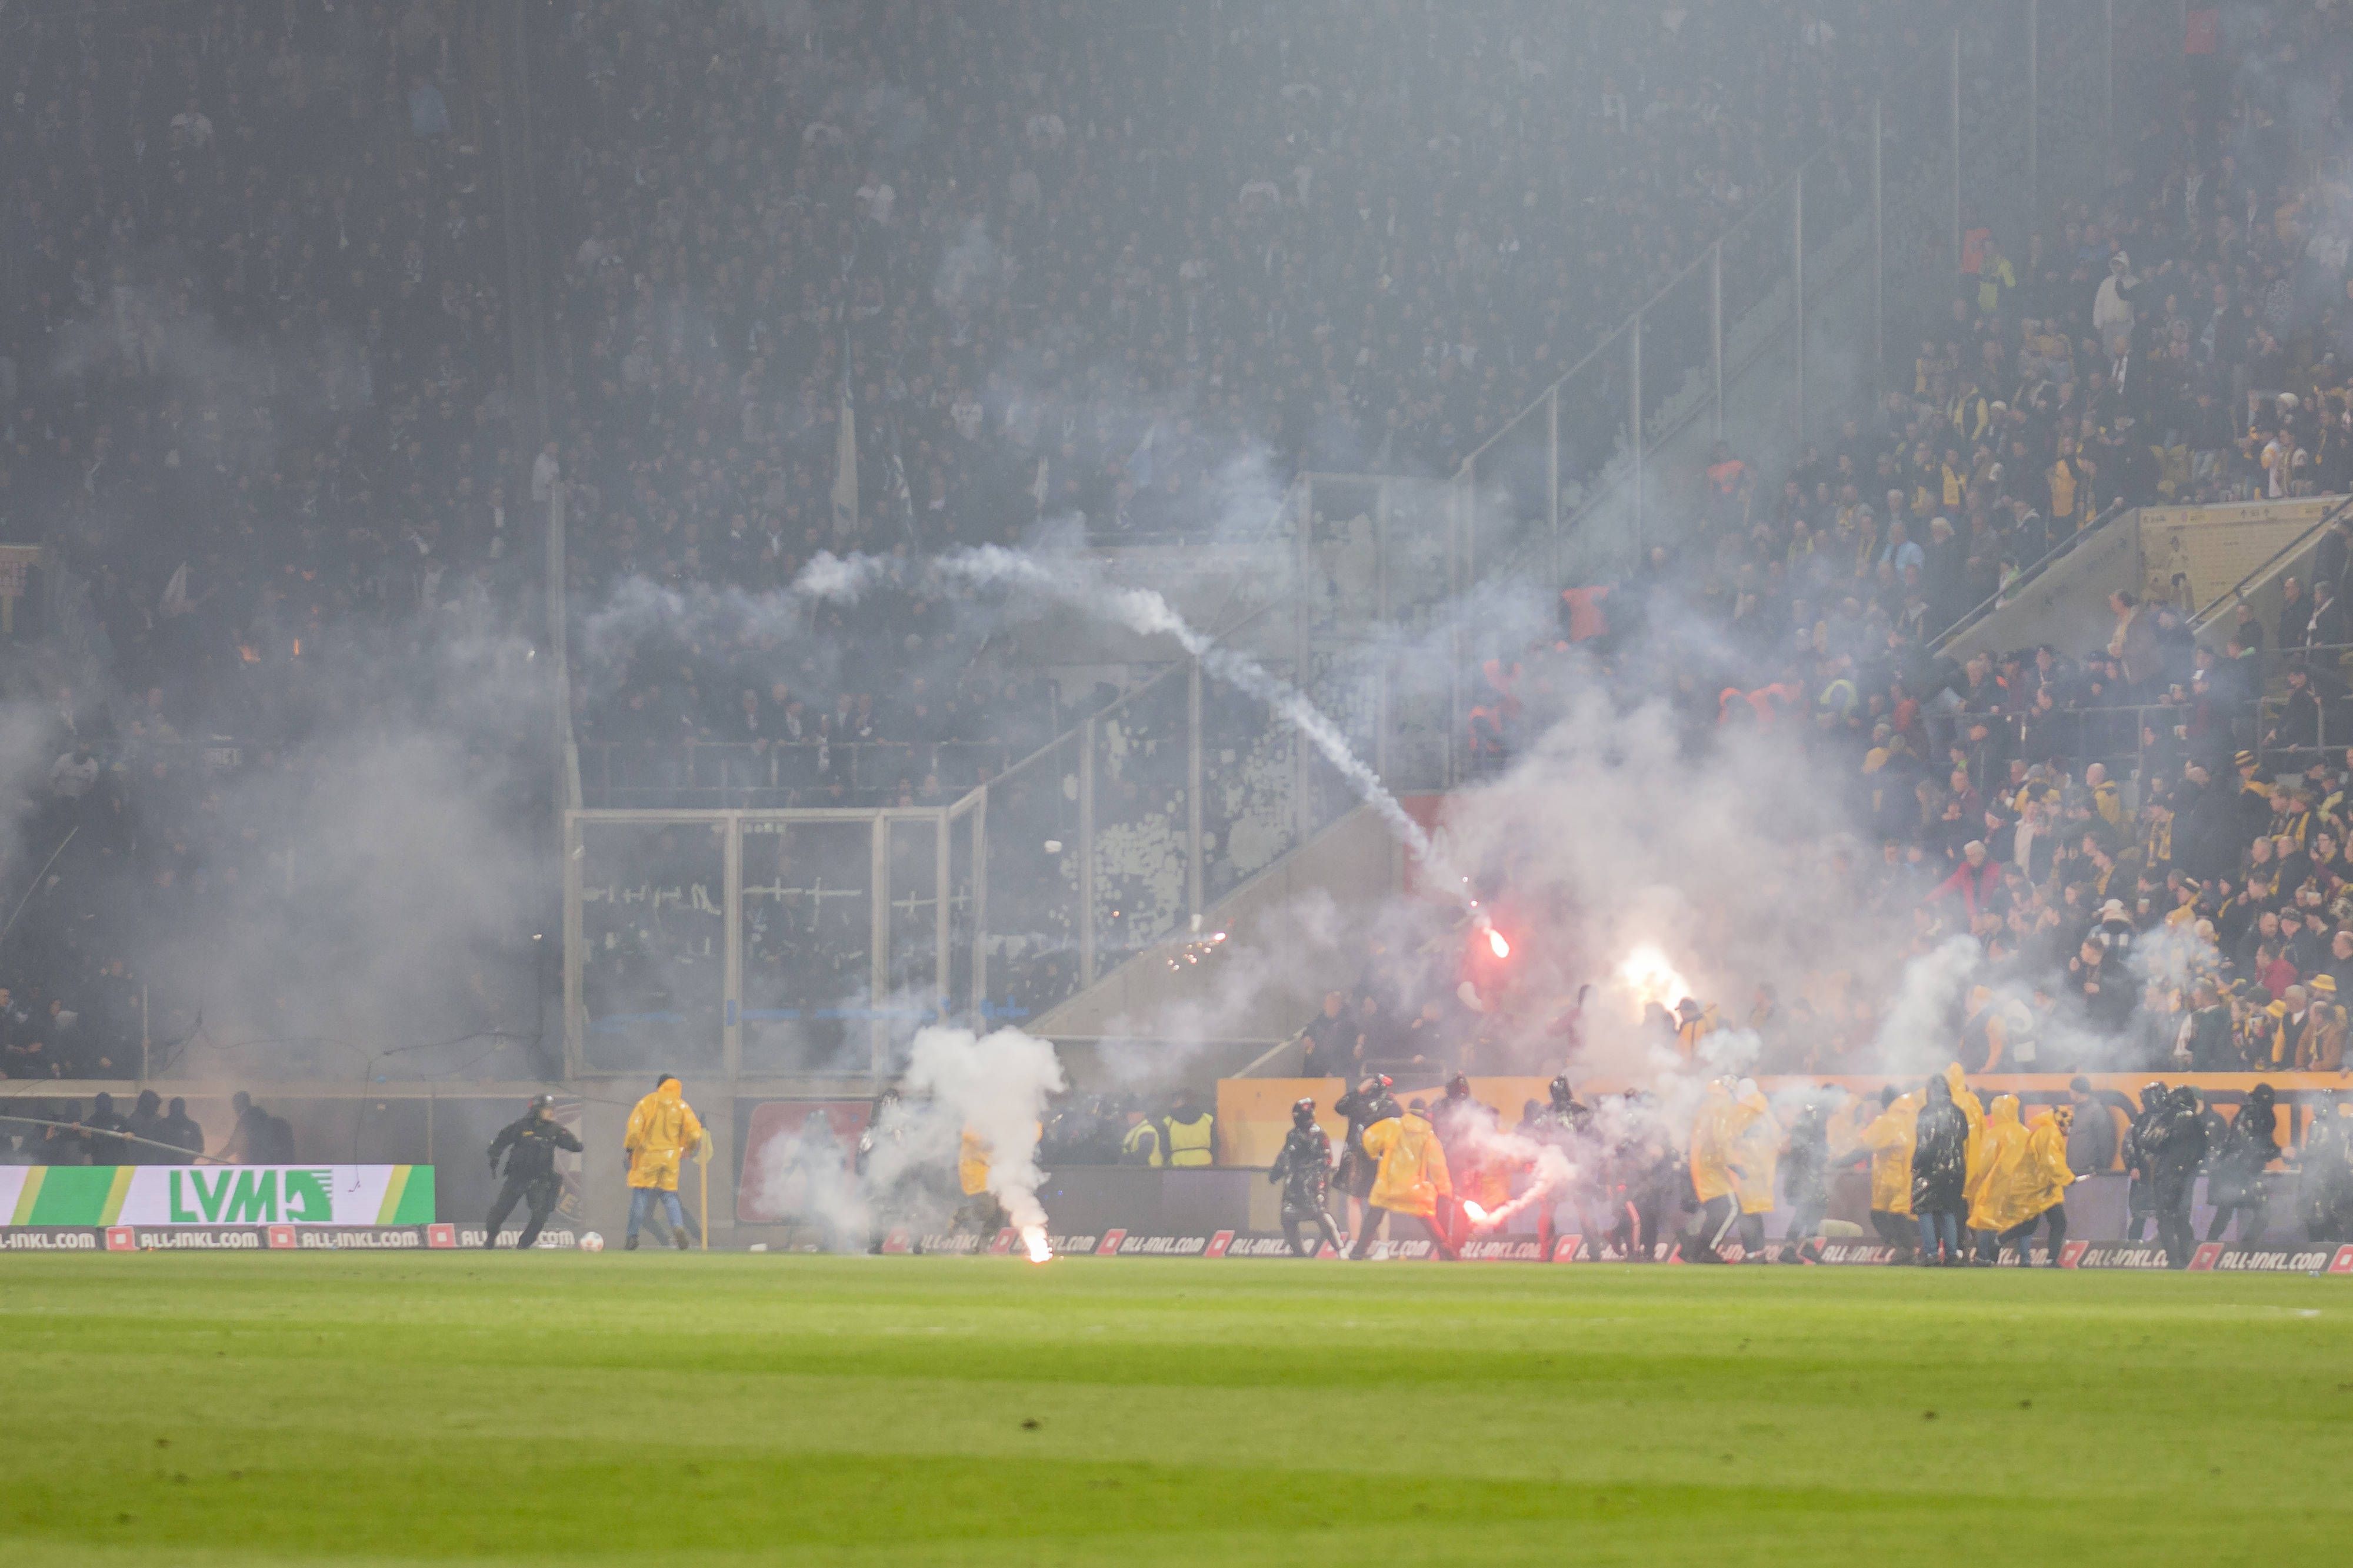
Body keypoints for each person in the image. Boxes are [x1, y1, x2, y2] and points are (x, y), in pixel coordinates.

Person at [1349, 1097, 1457, 1260]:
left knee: (1374, 1217)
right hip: (1415, 1190)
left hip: (1388, 1186)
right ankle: (1448, 1253)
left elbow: (1369, 1139)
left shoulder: (1392, 1125)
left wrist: (1373, 1154)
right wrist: (1446, 1191)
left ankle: (1358, 1252)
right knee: (1429, 1219)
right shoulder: (1429, 1137)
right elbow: (1438, 1167)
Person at [482, 1094, 582, 1250]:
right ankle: (491, 1238)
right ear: (537, 1110)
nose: (551, 1113)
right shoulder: (521, 1127)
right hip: (517, 1178)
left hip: (541, 1180)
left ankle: (523, 1245)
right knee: (499, 1212)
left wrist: (574, 1143)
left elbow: (575, 1146)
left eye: (552, 1109)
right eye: (547, 1110)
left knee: (540, 1216)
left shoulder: (555, 1130)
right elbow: (502, 1139)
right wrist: (495, 1155)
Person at [622, 1075, 705, 1251]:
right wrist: (689, 1148)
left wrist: (630, 1149)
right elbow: (695, 1134)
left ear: (659, 1086)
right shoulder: (682, 1105)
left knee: (641, 1196)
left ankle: (632, 1237)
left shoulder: (647, 1103)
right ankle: (678, 1228)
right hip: (670, 1159)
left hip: (647, 1158)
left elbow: (635, 1130)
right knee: (670, 1196)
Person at [1267, 1098, 1345, 1257]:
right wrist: (1276, 1172)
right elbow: (1285, 1156)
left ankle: (1341, 1249)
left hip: (1313, 1183)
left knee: (1319, 1214)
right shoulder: (1293, 1135)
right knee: (1287, 1218)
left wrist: (1313, 1176)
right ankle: (1299, 1253)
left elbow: (1326, 1160)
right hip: (1294, 1183)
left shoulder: (1318, 1134)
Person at [2205, 1083, 2278, 1245]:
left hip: (2244, 1171)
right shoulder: (2249, 1115)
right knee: (2229, 1211)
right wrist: (2279, 1153)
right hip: (2235, 1171)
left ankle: (2218, 1245)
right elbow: (2249, 1146)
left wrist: (2280, 1152)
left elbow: (2265, 1143)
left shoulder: (2262, 1116)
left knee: (2227, 1212)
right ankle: (2234, 1246)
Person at [1964, 1095, 2033, 1264]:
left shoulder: (1993, 1134)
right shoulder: (2026, 1133)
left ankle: (1984, 1256)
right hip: (2022, 1186)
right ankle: (2025, 1258)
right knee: (2023, 1220)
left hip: (1997, 1184)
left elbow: (1983, 1164)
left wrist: (1974, 1183)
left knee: (1986, 1219)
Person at [1912, 1075, 1971, 1265]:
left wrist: (1916, 1163)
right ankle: (1952, 1254)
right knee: (1949, 1210)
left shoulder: (1926, 1112)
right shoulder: (1959, 1112)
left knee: (1925, 1209)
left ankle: (1931, 1253)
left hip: (1930, 1169)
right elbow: (1964, 1136)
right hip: (1956, 1169)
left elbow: (1925, 1143)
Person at [1856, 1085, 1921, 1257]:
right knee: (1900, 1214)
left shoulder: (1889, 1120)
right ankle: (1909, 1249)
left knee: (1885, 1215)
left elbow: (1866, 1144)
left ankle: (1906, 1250)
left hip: (1894, 1176)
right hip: (1914, 1173)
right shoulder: (1915, 1116)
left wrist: (1839, 1161)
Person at [2147, 1085, 2208, 1268]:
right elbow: (2203, 1149)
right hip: (2186, 1177)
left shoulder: (2166, 1118)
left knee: (2165, 1218)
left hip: (2165, 1174)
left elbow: (2149, 1142)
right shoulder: (2195, 1121)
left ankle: (2174, 1259)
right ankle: (2185, 1255)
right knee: (2182, 1216)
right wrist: (2190, 1167)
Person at [1334, 1075, 1399, 1242]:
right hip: (1381, 1158)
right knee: (1380, 1203)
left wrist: (1357, 1091)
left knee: (1355, 1200)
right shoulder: (1392, 1106)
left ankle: (1356, 1243)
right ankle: (1382, 1245)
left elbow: (1340, 1107)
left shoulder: (1359, 1103)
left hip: (1359, 1158)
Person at [1686, 1077, 1741, 1263]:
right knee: (1731, 1208)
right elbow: (1721, 1137)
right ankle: (1708, 1250)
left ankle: (1697, 1252)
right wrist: (1733, 1162)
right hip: (1713, 1165)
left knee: (1717, 1212)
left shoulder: (1707, 1105)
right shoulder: (1722, 1105)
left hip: (1702, 1164)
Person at [1726, 1079, 1780, 1262]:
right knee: (1754, 1211)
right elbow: (1777, 1138)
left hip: (1744, 1167)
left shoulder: (1741, 1112)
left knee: (1745, 1212)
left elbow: (1729, 1137)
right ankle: (1760, 1251)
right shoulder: (1765, 1111)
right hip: (1762, 1169)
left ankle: (1751, 1253)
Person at [1778, 1096, 1832, 1263]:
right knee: (1810, 1207)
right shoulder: (1814, 1120)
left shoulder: (1802, 1122)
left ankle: (1796, 1246)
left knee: (1810, 1207)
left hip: (1802, 1173)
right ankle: (1798, 1247)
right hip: (1806, 1174)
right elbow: (1808, 1149)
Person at [1162, 1089, 1215, 1167]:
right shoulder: (1208, 1119)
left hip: (1178, 1166)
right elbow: (1215, 1144)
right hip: (1205, 1165)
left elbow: (1165, 1148)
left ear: (1178, 1101)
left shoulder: (1168, 1122)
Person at [82, 1092, 131, 1165]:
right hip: (101, 1165)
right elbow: (85, 1150)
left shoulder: (120, 1119)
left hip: (120, 1164)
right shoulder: (91, 1123)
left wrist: (130, 1134)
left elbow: (134, 1133)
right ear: (97, 1106)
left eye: (108, 1103)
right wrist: (86, 1138)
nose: (105, 1106)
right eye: (102, 1104)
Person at [1118, 1098, 1164, 1166]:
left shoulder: (1147, 1131)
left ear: (1143, 1114)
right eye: (1129, 1113)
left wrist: (1124, 1159)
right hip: (1138, 1173)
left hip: (1150, 1173)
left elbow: (1142, 1155)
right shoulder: (1134, 1130)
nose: (1130, 1116)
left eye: (1134, 1113)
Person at [158, 1097, 205, 1161]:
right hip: (163, 1165)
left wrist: (188, 1157)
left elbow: (199, 1147)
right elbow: (153, 1146)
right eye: (174, 1108)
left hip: (185, 1166)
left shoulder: (193, 1127)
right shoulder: (161, 1126)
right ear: (170, 1109)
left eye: (179, 1107)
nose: (176, 1110)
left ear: (183, 1109)